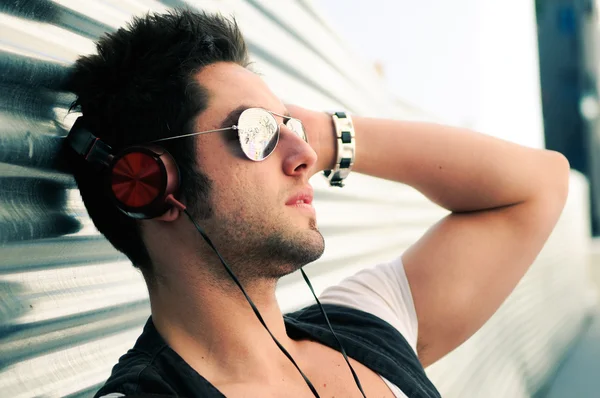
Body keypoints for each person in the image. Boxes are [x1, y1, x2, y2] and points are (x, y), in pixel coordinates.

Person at [63, 8, 570, 398]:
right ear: (149, 182)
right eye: (254, 131)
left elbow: (540, 182)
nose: (304, 155)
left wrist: (328, 135)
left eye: (291, 127)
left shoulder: (367, 324)